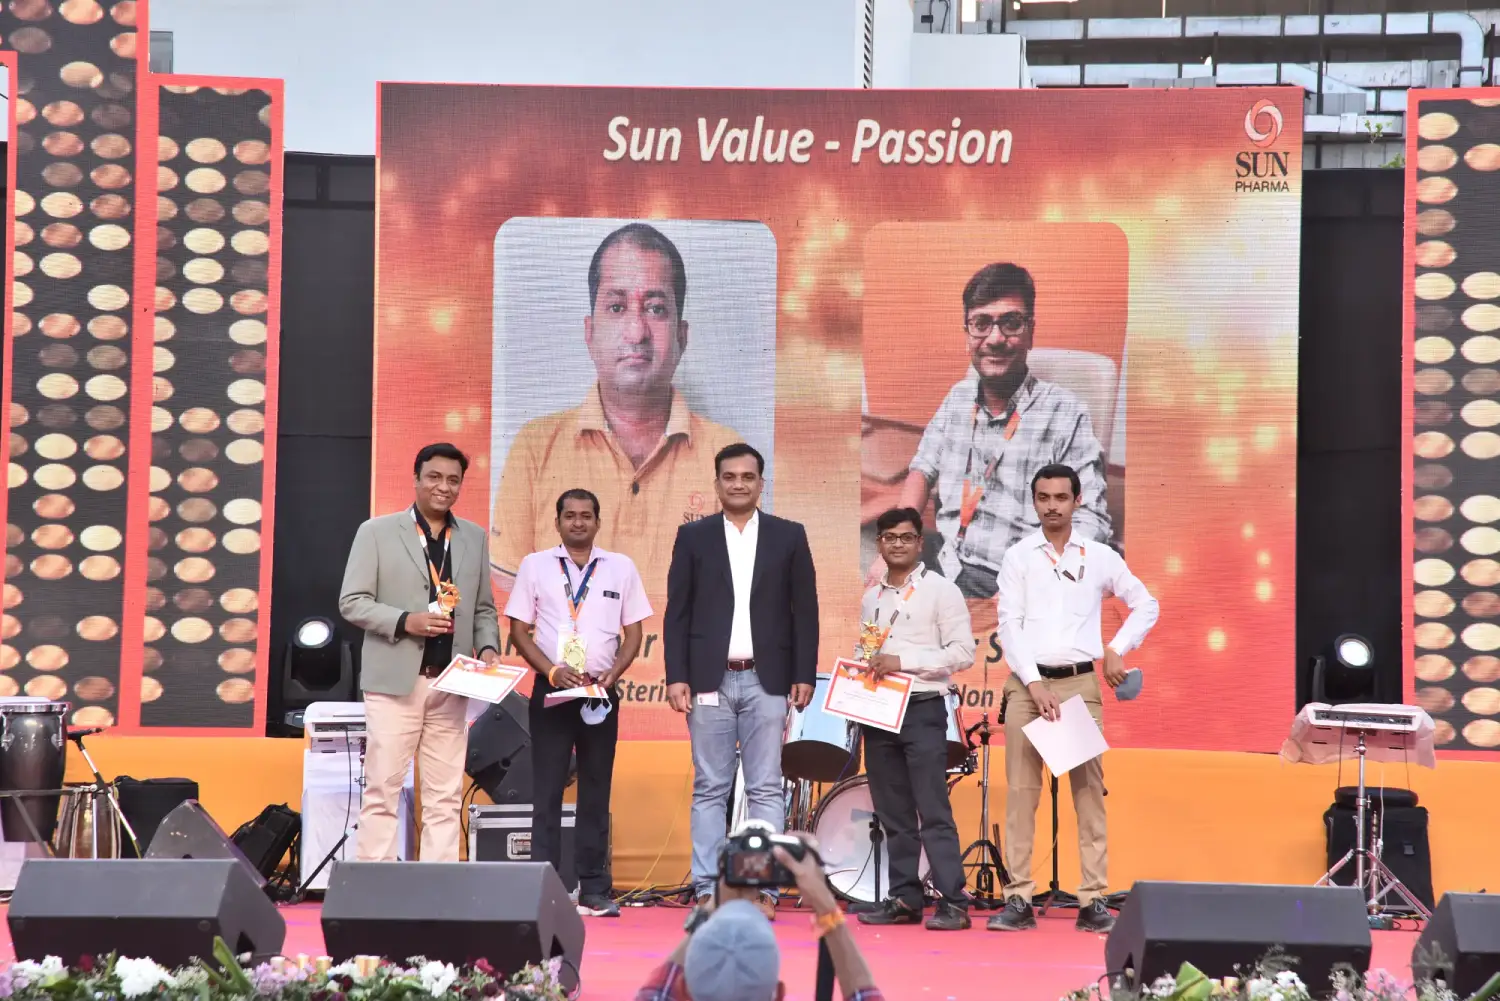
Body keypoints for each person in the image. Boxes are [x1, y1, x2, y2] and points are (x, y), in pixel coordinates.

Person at [490, 222, 744, 600]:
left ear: (682, 336)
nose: (636, 331)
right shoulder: (535, 446)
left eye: (656, 309)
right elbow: (506, 594)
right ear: (590, 332)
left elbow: (740, 599)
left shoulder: (727, 454)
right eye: (617, 306)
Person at [872, 262, 1111, 600]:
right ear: (968, 333)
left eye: (1011, 322)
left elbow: (1092, 520)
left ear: (1030, 330)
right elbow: (921, 471)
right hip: (945, 564)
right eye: (981, 323)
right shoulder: (957, 398)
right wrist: (897, 543)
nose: (995, 339)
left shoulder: (1065, 413)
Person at [988, 462, 1159, 933]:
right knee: (1022, 794)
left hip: (1081, 683)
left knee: (1088, 794)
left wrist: (1117, 648)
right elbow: (1009, 624)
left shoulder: (1099, 555)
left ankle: (1092, 899)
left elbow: (1146, 602)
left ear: (1077, 500)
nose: (1051, 507)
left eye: (1060, 498)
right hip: (1028, 685)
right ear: (1034, 501)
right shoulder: (1019, 555)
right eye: (1043, 498)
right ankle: (1019, 898)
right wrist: (1033, 681)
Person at [664, 442, 819, 919]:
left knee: (766, 787)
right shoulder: (694, 538)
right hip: (709, 680)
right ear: (717, 483)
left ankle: (761, 891)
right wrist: (677, 676)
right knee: (711, 787)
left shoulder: (788, 536)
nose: (738, 484)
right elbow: (678, 612)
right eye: (728, 476)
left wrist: (803, 673)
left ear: (760, 483)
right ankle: (709, 890)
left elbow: (805, 611)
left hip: (767, 680)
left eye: (747, 477)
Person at [338, 442, 501, 862]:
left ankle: (437, 893)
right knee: (382, 792)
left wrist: (488, 649)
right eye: (434, 477)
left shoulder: (475, 538)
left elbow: (483, 608)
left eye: (453, 480)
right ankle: (373, 890)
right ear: (415, 479)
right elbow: (352, 601)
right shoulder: (375, 532)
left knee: (445, 798)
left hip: (452, 685)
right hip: (395, 684)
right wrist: (403, 620)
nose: (443, 487)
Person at [505, 488, 652, 917]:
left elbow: (635, 634)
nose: (578, 523)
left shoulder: (620, 567)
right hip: (552, 690)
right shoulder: (535, 566)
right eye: (569, 516)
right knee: (546, 790)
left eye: (586, 515)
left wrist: (615, 673)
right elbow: (518, 631)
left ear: (597, 521)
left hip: (600, 694)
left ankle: (594, 887)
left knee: (595, 788)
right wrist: (551, 671)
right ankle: (544, 885)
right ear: (558, 523)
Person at [854, 507, 974, 931]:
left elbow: (962, 653)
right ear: (880, 544)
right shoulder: (873, 597)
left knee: (932, 809)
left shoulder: (943, 591)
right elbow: (867, 652)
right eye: (889, 537)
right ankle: (904, 897)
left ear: (920, 543)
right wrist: (858, 675)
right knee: (893, 814)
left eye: (906, 537)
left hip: (923, 709)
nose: (897, 544)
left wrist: (902, 661)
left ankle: (954, 902)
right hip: (879, 712)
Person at [635, 831, 885, 1001]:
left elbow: (658, 990)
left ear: (683, 988)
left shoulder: (672, 988)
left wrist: (715, 902)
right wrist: (826, 907)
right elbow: (864, 995)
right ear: (777, 994)